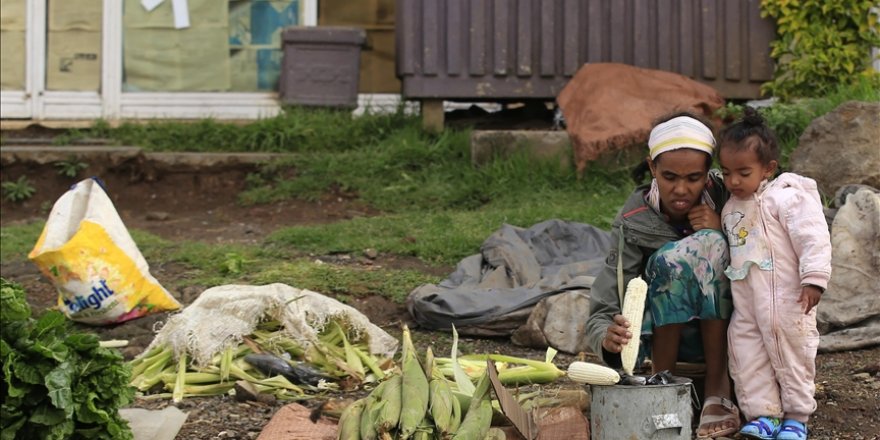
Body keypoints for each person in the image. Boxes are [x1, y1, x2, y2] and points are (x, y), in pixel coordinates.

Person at [585, 112, 739, 439]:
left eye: (694, 178)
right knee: (675, 259)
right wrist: (607, 340)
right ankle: (661, 381)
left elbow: (768, 260)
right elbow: (601, 309)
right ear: (652, 167)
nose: (681, 189)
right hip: (667, 342)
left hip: (730, 341)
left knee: (709, 243)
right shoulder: (633, 222)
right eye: (669, 176)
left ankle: (717, 386)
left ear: (709, 170)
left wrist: (723, 230)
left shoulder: (733, 195)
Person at [718, 108, 831, 440]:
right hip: (748, 303)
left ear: (767, 169)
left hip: (788, 301)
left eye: (743, 172)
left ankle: (797, 416)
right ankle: (763, 414)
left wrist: (813, 279)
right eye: (726, 172)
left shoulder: (787, 198)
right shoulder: (730, 208)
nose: (733, 181)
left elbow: (813, 236)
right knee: (747, 355)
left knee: (793, 354)